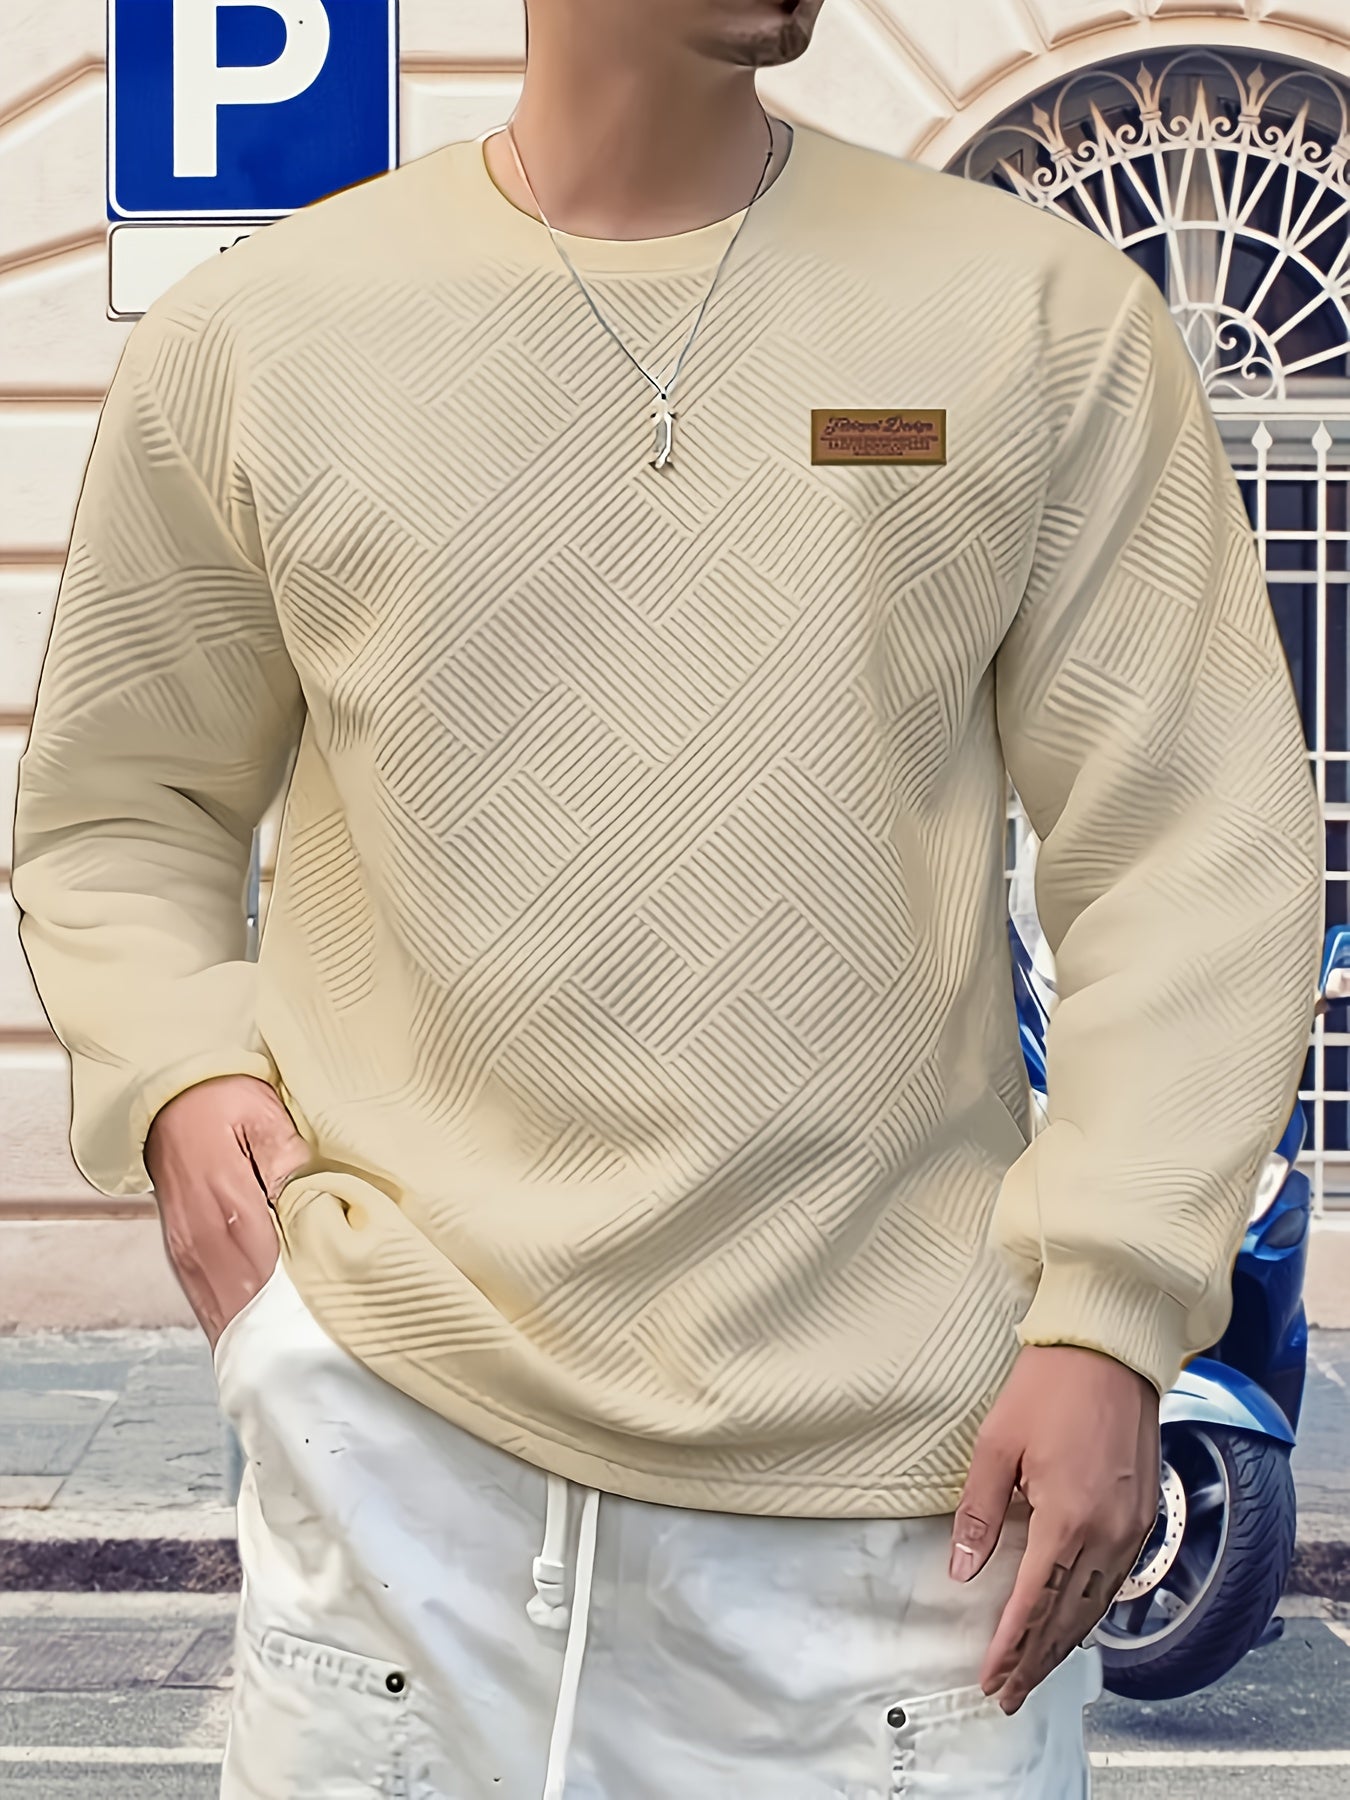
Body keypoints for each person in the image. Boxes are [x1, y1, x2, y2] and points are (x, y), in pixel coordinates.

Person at [9, 0, 1324, 1792]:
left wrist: (1112, 1312)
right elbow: (122, 802)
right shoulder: (264, 335)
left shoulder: (1039, 320)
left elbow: (1190, 846)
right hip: (394, 1467)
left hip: (898, 1520)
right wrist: (179, 1074)